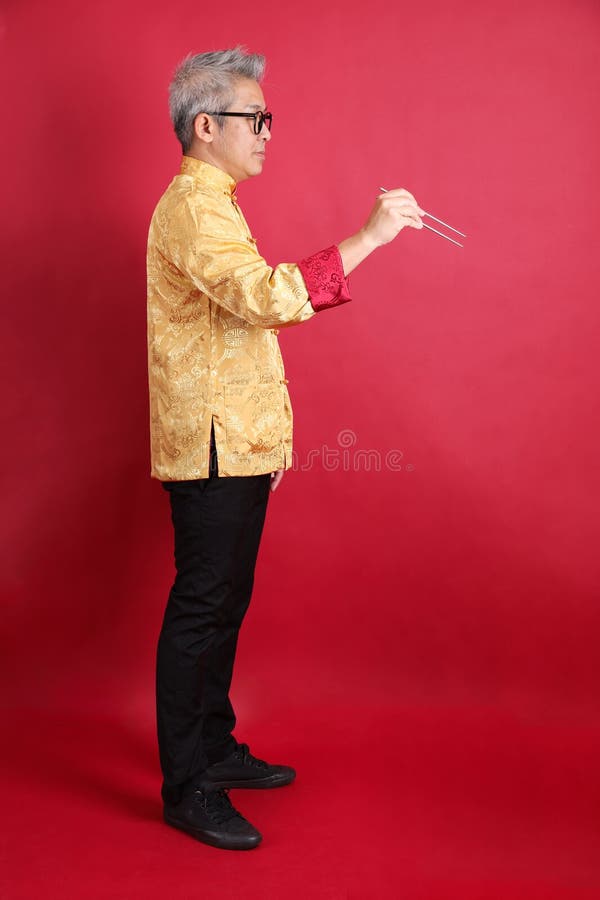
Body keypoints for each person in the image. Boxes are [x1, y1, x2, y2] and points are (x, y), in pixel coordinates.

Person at [146, 46, 424, 851]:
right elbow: (263, 298)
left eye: (267, 117)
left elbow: (232, 326)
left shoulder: (217, 201)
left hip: (236, 446)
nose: (268, 132)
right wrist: (367, 239)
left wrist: (267, 448)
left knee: (224, 602)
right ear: (207, 126)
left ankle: (214, 747)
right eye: (254, 118)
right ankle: (185, 785)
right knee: (202, 609)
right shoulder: (195, 207)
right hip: (210, 449)